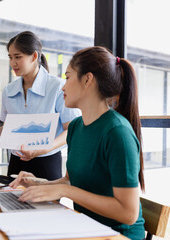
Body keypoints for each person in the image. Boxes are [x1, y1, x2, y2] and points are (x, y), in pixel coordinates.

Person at [10, 46, 145, 240]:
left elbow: (129, 213)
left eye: (67, 77)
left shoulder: (118, 133)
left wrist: (66, 190)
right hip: (85, 228)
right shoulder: (75, 127)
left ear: (87, 79)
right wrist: (40, 185)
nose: (63, 87)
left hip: (117, 235)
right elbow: (69, 180)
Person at [0, 31, 80, 180]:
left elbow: (72, 130)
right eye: (10, 57)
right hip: (16, 163)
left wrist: (42, 149)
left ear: (34, 56)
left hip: (46, 163)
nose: (12, 63)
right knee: (11, 203)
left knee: (46, 203)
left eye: (18, 57)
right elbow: (12, 130)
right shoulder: (9, 90)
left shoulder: (58, 87)